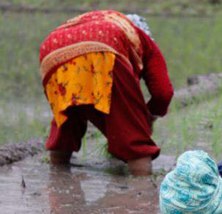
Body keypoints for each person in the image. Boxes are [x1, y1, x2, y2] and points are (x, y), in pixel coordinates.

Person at [39, 10, 173, 176]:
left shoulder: (105, 20)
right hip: (105, 46)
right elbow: (163, 93)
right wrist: (148, 117)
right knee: (134, 137)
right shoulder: (144, 41)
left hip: (52, 49)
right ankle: (142, 190)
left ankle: (57, 176)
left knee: (69, 115)